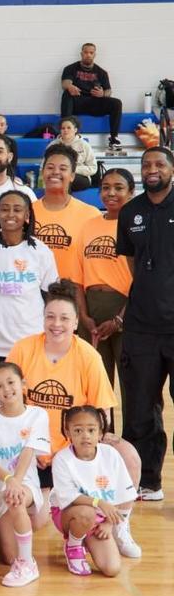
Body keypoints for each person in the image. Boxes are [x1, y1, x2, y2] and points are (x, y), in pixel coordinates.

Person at [6, 279, 142, 557]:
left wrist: (98, 445)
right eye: (50, 317)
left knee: (128, 455)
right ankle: (62, 503)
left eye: (65, 318)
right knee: (35, 521)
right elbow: (8, 401)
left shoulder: (88, 356)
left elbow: (102, 409)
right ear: (42, 318)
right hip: (35, 453)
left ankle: (119, 525)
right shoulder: (23, 349)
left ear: (75, 323)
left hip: (72, 451)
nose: (57, 324)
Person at [116, 146, 174, 501]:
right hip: (141, 327)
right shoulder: (131, 211)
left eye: (159, 164)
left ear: (171, 169)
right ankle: (146, 480)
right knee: (140, 407)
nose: (152, 169)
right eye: (146, 164)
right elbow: (132, 263)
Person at [0, 191, 58, 415]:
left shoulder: (40, 251)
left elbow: (49, 296)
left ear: (27, 215)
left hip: (29, 343)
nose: (10, 214)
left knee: (31, 408)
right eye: (5, 208)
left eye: (17, 209)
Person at [0, 362, 51, 586]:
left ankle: (27, 564)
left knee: (16, 499)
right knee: (7, 557)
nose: (7, 389)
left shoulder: (37, 414)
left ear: (23, 384)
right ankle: (15, 544)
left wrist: (15, 482)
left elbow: (29, 451)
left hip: (23, 483)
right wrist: (8, 480)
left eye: (11, 382)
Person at [50, 406, 137, 577]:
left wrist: (108, 524)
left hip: (100, 520)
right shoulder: (62, 459)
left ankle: (87, 539)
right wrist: (99, 502)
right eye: (78, 430)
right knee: (86, 512)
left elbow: (125, 495)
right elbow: (69, 497)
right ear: (68, 432)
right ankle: (74, 545)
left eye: (91, 430)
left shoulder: (111, 454)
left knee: (111, 569)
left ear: (100, 432)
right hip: (71, 514)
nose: (85, 435)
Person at [73, 169, 134, 404]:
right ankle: (99, 436)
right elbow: (78, 278)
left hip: (127, 308)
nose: (111, 193)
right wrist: (84, 316)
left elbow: (142, 281)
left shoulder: (136, 226)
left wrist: (120, 319)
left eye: (118, 188)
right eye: (106, 187)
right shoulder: (88, 226)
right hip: (91, 310)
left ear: (131, 192)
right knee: (95, 384)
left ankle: (133, 440)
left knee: (132, 384)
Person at [33, 144, 100, 283]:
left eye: (63, 168)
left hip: (72, 295)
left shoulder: (90, 214)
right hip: (32, 294)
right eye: (50, 167)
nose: (55, 172)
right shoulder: (27, 212)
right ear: (43, 172)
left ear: (72, 176)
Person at [60, 43, 123, 151]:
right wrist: (70, 87)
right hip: (77, 102)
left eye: (91, 53)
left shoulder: (101, 72)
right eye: (86, 52)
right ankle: (67, 136)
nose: (88, 55)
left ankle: (114, 139)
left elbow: (109, 90)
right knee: (66, 94)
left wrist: (102, 94)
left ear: (94, 55)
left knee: (116, 103)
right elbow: (65, 83)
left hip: (94, 103)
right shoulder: (71, 68)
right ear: (81, 54)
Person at [44, 116, 97, 192]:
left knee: (66, 178)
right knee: (59, 179)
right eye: (63, 128)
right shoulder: (52, 145)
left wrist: (72, 170)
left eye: (69, 128)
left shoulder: (84, 145)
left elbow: (93, 168)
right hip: (57, 174)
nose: (65, 130)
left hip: (79, 177)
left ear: (75, 130)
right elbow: (44, 166)